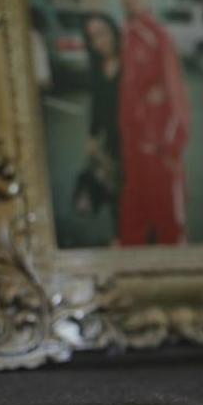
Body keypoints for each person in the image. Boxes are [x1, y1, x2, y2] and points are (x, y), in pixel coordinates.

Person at [117, 0, 192, 246]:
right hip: (134, 148)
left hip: (159, 149)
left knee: (169, 222)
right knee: (134, 220)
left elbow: (176, 95)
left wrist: (172, 144)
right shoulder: (126, 35)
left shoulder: (158, 37)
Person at [73, 13, 122, 240]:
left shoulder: (131, 61)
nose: (98, 42)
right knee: (114, 187)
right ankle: (121, 234)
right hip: (112, 140)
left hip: (136, 137)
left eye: (102, 34)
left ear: (113, 31)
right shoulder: (97, 66)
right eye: (92, 38)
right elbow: (97, 105)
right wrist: (92, 137)